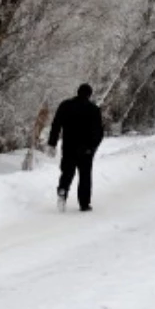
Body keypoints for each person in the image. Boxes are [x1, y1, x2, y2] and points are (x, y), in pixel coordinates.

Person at [48, 83, 104, 212]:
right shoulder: (93, 109)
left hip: (68, 146)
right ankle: (84, 204)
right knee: (85, 176)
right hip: (86, 149)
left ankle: (63, 190)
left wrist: (52, 143)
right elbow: (99, 132)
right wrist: (93, 147)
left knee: (67, 172)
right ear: (89, 95)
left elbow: (56, 125)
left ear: (77, 92)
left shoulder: (65, 105)